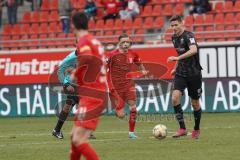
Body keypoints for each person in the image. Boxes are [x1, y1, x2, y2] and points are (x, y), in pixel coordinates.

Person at [70, 12, 107, 160]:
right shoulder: (93, 40)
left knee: (79, 139)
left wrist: (75, 74)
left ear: (73, 25)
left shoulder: (84, 41)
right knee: (74, 136)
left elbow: (86, 57)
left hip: (93, 94)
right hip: (92, 93)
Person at [167, 15, 202, 139]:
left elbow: (193, 50)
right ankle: (182, 128)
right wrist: (175, 68)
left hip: (194, 74)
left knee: (195, 103)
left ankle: (196, 129)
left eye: (176, 25)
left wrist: (177, 58)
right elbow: (180, 53)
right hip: (181, 73)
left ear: (182, 23)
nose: (174, 27)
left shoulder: (189, 36)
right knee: (175, 98)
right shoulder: (174, 38)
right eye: (172, 25)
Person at [106, 33, 147, 139]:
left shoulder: (133, 54)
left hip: (128, 84)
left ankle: (131, 133)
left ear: (130, 43)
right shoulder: (112, 55)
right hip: (115, 86)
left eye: (127, 42)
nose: (125, 44)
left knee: (133, 108)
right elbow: (106, 70)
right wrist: (109, 86)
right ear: (119, 43)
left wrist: (142, 70)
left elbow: (139, 62)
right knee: (121, 115)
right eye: (123, 42)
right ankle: (117, 109)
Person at [52, 50, 96, 140]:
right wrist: (65, 84)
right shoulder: (71, 58)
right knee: (84, 104)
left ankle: (57, 130)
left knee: (68, 107)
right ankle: (85, 131)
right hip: (70, 85)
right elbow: (60, 70)